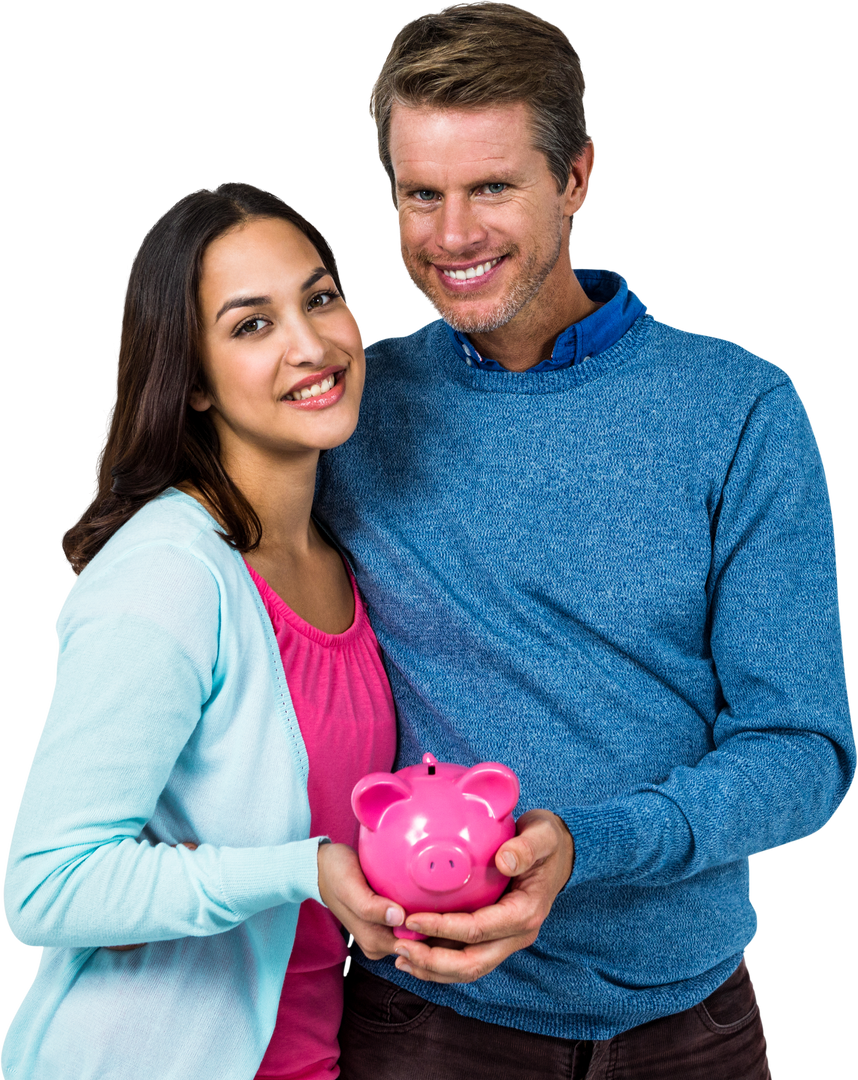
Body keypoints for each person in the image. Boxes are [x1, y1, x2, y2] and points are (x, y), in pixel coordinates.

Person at [312, 4, 856, 1078]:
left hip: (690, 1024)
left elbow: (805, 749)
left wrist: (589, 848)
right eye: (422, 194)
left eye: (493, 187)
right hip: (422, 1021)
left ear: (578, 178)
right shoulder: (346, 405)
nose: (453, 235)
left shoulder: (740, 407)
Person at [1, 180, 411, 1079]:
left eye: (319, 297)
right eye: (251, 324)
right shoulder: (170, 575)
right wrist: (301, 869)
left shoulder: (339, 556)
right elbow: (45, 887)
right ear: (189, 382)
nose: (312, 345)